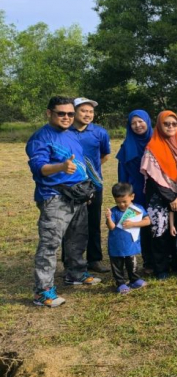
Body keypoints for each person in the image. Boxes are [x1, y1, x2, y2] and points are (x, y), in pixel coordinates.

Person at [27, 96, 101, 307]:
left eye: (70, 113)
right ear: (49, 113)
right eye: (61, 113)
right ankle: (42, 291)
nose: (66, 117)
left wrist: (87, 188)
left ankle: (75, 274)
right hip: (55, 196)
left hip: (78, 195)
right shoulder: (40, 138)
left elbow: (81, 164)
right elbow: (39, 168)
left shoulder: (71, 135)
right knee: (50, 243)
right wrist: (60, 167)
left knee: (77, 238)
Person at [140, 110, 177, 280]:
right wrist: (171, 198)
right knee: (160, 231)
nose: (171, 127)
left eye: (174, 123)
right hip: (160, 197)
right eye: (166, 124)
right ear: (159, 125)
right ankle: (161, 267)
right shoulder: (153, 147)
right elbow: (154, 178)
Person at [70, 97, 111, 273]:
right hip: (70, 185)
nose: (87, 114)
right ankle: (70, 262)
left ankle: (94, 260)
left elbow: (105, 155)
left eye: (90, 111)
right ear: (74, 112)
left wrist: (90, 172)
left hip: (94, 185)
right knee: (72, 224)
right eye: (83, 111)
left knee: (93, 222)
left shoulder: (99, 132)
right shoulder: (65, 132)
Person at [116, 110, 154, 268]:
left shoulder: (157, 141)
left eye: (140, 121)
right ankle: (148, 261)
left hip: (157, 190)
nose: (137, 126)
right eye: (133, 123)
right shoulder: (126, 146)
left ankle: (166, 259)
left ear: (147, 121)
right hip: (136, 193)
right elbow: (122, 175)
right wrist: (125, 196)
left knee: (160, 224)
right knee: (142, 226)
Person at [105, 182, 150, 294]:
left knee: (132, 263)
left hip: (131, 244)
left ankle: (134, 279)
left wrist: (133, 224)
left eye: (124, 201)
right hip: (116, 245)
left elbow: (147, 221)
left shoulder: (137, 209)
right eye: (118, 202)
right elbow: (111, 227)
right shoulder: (114, 211)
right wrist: (109, 218)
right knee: (117, 265)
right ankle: (120, 283)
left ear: (132, 196)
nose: (122, 205)